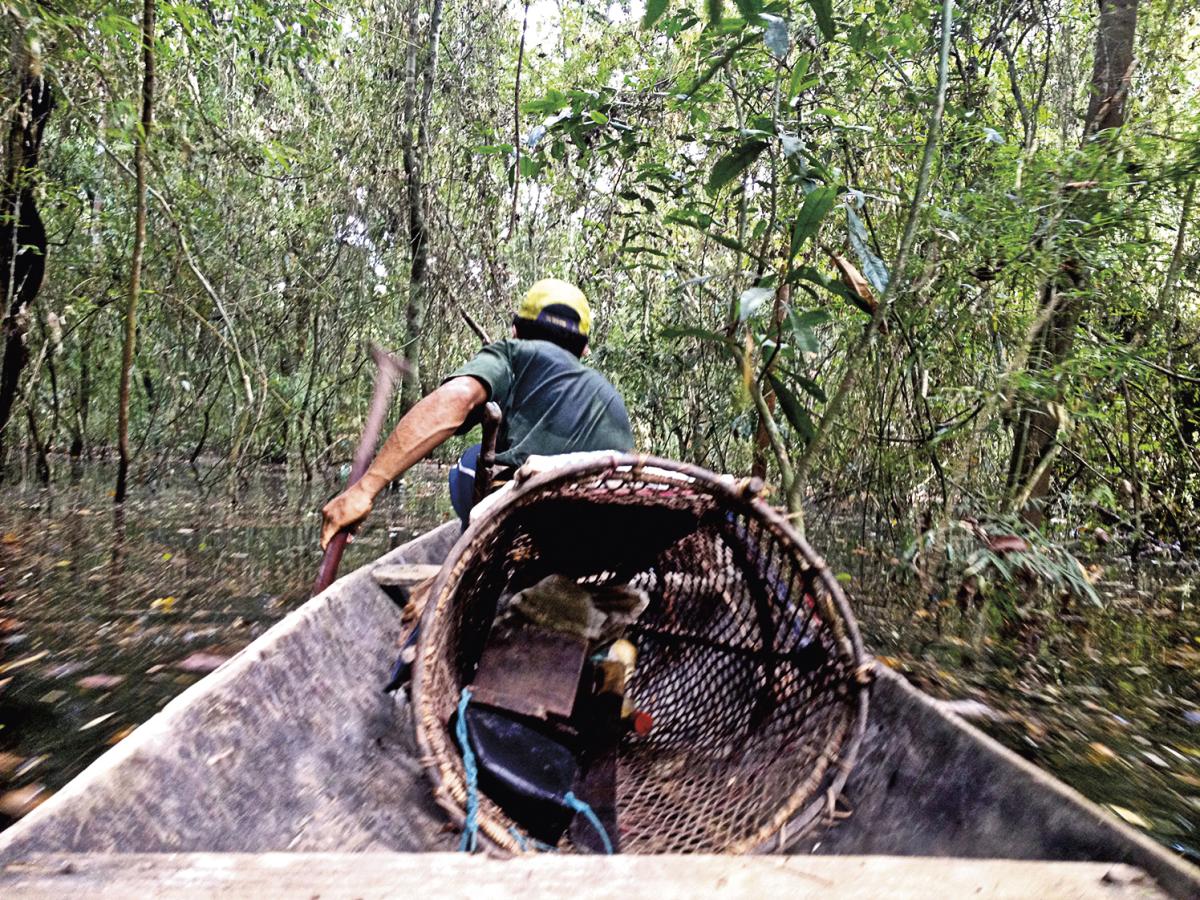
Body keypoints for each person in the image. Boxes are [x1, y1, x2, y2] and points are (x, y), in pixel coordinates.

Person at [319, 278, 634, 548]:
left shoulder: (513, 353)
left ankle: (482, 555)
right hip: (611, 530)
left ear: (515, 332)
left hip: (544, 525)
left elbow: (458, 398)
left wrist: (364, 490)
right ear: (583, 351)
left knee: (468, 464)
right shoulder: (606, 391)